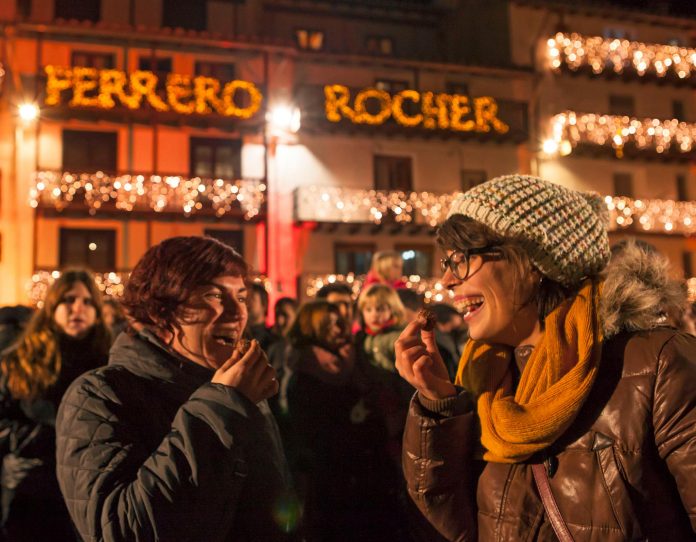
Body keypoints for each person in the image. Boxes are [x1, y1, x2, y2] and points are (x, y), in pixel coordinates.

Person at [396, 175, 696, 541]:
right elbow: (456, 527)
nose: (446, 279)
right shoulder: (485, 380)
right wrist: (440, 406)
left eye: (463, 258)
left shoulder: (657, 363)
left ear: (536, 261)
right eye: (448, 260)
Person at [55, 236, 296, 541]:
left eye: (242, 296)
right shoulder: (99, 395)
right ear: (160, 312)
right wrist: (221, 407)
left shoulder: (239, 391)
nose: (238, 313)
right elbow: (122, 531)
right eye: (214, 295)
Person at [282, 300, 408, 542]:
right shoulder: (306, 378)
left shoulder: (355, 363)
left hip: (376, 483)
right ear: (311, 329)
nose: (339, 329)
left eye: (340, 322)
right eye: (329, 325)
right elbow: (322, 439)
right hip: (336, 490)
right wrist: (382, 428)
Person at [0, 270, 111, 541]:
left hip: (88, 494)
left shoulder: (110, 363)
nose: (78, 308)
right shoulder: (19, 360)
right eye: (68, 300)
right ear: (52, 307)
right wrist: (39, 439)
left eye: (87, 302)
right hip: (30, 490)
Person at [248, 282, 277, 351]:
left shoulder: (273, 341)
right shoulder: (240, 336)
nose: (247, 303)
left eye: (252, 299)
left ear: (264, 304)